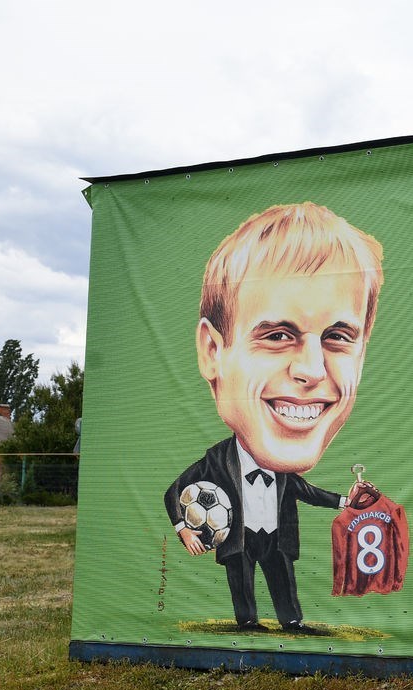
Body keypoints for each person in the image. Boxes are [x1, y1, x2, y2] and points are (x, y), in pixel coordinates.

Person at [164, 202, 384, 634]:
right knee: (242, 582)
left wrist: (346, 502)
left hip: (275, 539)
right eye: (278, 335)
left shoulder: (284, 476)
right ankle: (246, 623)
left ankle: (292, 622)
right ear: (213, 352)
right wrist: (183, 528)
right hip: (239, 540)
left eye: (338, 337)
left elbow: (308, 493)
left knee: (282, 579)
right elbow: (176, 490)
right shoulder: (217, 461)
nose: (312, 370)